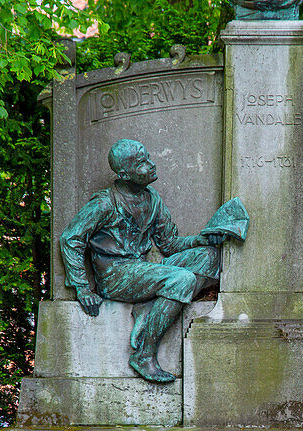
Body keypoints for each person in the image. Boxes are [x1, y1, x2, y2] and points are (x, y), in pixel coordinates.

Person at [60, 138, 226, 384]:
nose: (150, 165)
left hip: (143, 271)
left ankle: (149, 307)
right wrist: (82, 287)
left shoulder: (152, 199)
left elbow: (169, 244)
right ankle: (144, 355)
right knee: (182, 279)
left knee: (210, 257)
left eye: (148, 158)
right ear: (124, 174)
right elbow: (70, 238)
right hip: (116, 277)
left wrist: (204, 239)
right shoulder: (106, 203)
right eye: (141, 163)